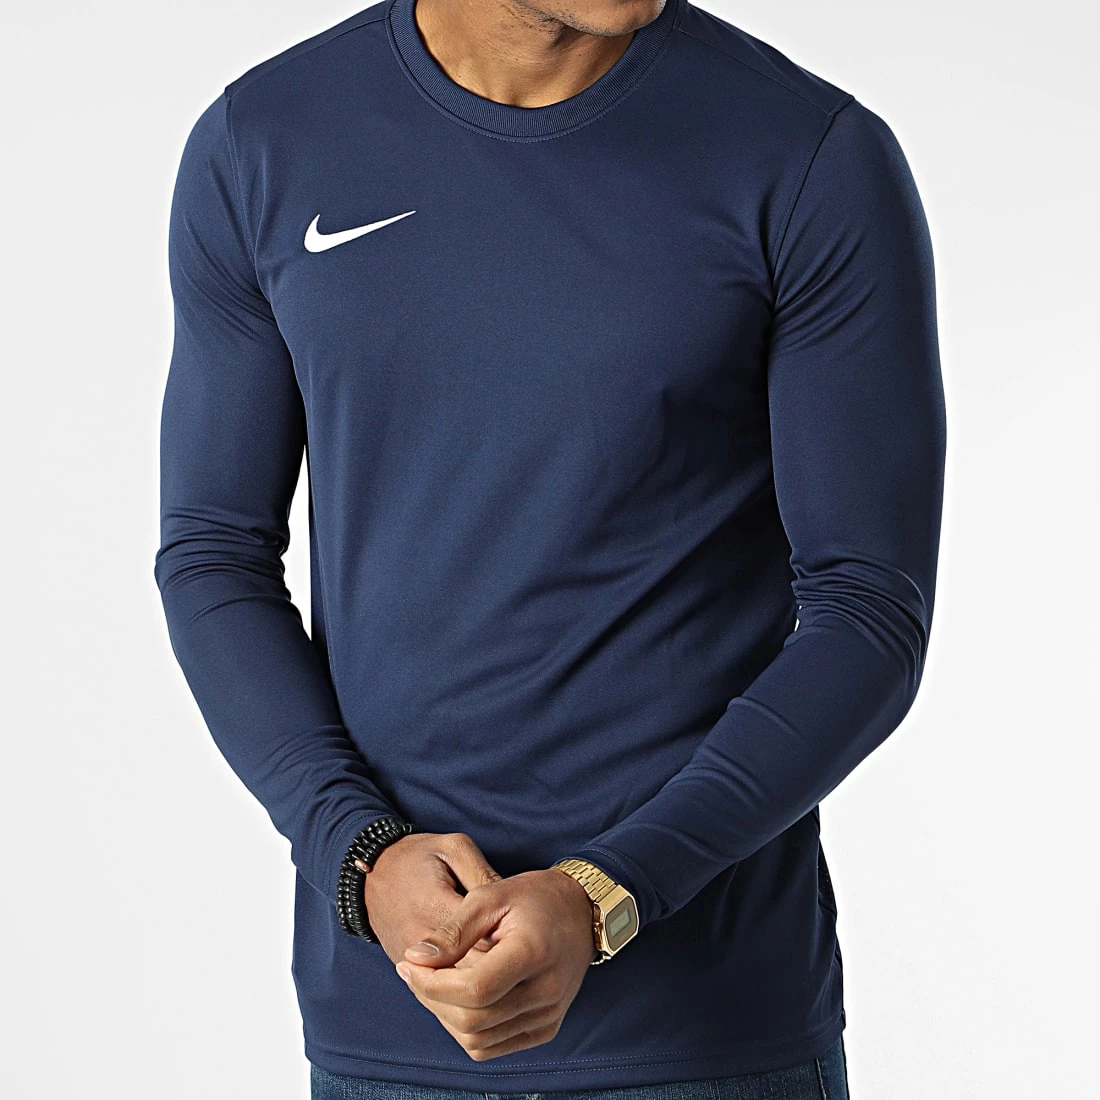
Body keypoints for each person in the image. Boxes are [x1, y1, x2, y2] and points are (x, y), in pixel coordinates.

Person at [154, 0, 946, 1096]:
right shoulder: (266, 142)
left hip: (709, 1037)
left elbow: (867, 610)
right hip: (395, 1021)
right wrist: (357, 850)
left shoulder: (806, 155)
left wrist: (605, 890)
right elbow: (213, 554)